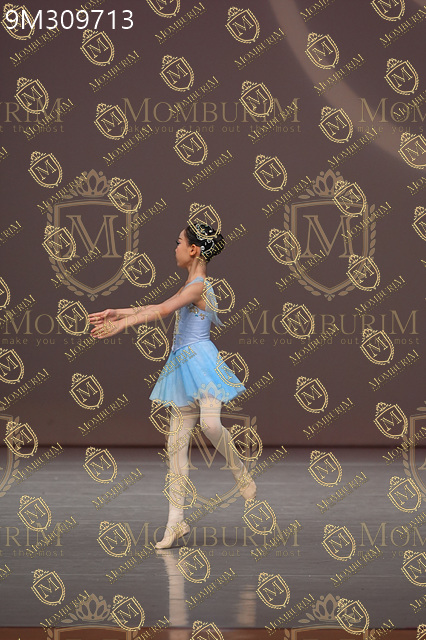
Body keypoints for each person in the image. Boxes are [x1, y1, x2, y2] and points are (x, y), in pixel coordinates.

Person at [88, 222, 256, 549]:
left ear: (193, 249)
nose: (175, 248)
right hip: (181, 368)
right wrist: (117, 311)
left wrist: (122, 324)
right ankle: (175, 522)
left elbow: (163, 311)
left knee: (210, 425)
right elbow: (157, 305)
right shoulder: (188, 285)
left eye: (178, 242)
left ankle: (240, 471)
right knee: (176, 447)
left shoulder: (199, 286)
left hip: (203, 365)